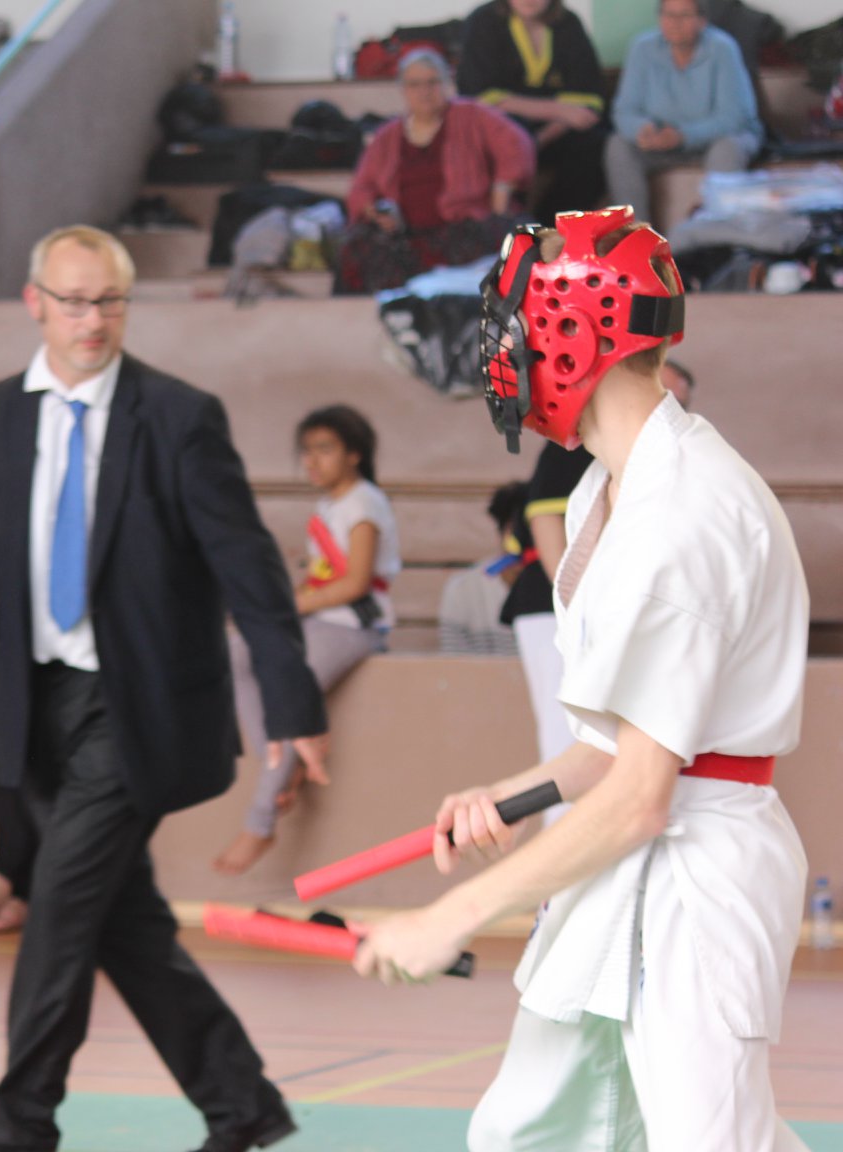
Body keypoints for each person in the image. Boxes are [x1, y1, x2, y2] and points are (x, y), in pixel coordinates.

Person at [0, 225, 328, 1152]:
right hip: (35, 710)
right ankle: (244, 1107)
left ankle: (19, 1128)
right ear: (35, 303)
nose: (92, 320)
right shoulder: (3, 412)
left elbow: (252, 571)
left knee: (61, 913)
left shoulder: (180, 417)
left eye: (109, 301)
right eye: (73, 301)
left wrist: (291, 702)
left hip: (137, 714)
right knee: (124, 925)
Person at [354, 208, 811, 1151]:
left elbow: (642, 794)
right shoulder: (615, 485)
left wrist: (452, 917)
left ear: (575, 335)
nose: (503, 350)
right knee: (533, 1133)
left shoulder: (678, 519)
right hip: (636, 860)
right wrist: (512, 796)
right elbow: (618, 746)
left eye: (518, 323)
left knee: (709, 1143)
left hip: (696, 875)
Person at [215, 405, 400, 875]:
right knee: (237, 653)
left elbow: (355, 582)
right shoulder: (329, 507)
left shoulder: (364, 501)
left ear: (354, 454)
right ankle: (280, 767)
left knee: (289, 686)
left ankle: (260, 821)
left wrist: (287, 608)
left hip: (355, 626)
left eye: (325, 449)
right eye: (307, 451)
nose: (312, 461)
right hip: (320, 621)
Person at [501, 361, 695, 773]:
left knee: (608, 739)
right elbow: (545, 519)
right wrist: (575, 604)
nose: (671, 406)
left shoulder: (661, 457)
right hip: (553, 607)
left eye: (682, 401)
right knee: (566, 736)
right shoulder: (576, 444)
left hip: (606, 609)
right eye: (667, 393)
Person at [337, 51, 536, 295]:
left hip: (464, 227)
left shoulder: (472, 115)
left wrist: (503, 188)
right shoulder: (387, 136)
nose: (424, 91)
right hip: (406, 235)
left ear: (447, 84)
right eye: (414, 84)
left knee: (513, 238)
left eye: (433, 82)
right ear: (403, 90)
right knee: (356, 249)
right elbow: (362, 187)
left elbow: (517, 145)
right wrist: (377, 212)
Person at [605, 0, 763, 221]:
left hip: (713, 140)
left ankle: (719, 235)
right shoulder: (642, 48)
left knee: (728, 148)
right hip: (660, 143)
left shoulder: (722, 48)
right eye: (669, 15)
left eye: (684, 16)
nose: (675, 23)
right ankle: (635, 238)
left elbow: (734, 117)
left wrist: (683, 136)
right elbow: (624, 110)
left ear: (702, 20)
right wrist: (642, 130)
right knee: (618, 146)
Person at [457, 0, 609, 223]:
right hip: (505, 128)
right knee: (504, 147)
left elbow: (587, 100)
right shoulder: (484, 21)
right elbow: (480, 97)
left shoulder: (568, 23)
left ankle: (555, 228)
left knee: (597, 144)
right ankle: (506, 231)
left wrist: (542, 136)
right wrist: (559, 110)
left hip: (556, 131)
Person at [436, 481, 527, 657]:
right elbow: (455, 667)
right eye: (517, 533)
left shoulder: (565, 590)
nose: (526, 543)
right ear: (502, 532)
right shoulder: (463, 590)